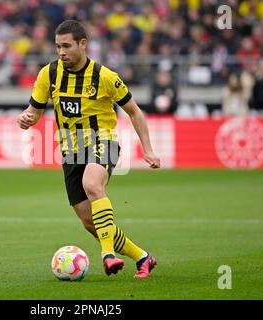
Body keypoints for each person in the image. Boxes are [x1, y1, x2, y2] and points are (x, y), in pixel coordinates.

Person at [17, 20, 160, 278]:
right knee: (89, 221)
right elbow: (34, 111)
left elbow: (135, 112)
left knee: (93, 185)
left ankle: (107, 255)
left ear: (83, 44)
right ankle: (143, 257)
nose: (61, 52)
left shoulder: (105, 77)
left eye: (66, 46)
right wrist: (25, 118)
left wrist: (147, 149)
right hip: (70, 150)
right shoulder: (48, 74)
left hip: (102, 140)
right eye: (58, 46)